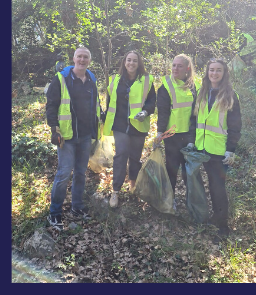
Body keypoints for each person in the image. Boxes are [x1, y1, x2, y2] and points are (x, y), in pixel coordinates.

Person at [46, 47, 102, 230]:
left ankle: (77, 207)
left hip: (85, 136)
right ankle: (54, 214)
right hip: (67, 136)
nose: (82, 60)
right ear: (74, 58)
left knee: (80, 173)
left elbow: (95, 104)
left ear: (89, 60)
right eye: (79, 56)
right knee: (63, 174)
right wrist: (54, 129)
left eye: (86, 57)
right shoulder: (61, 78)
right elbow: (51, 105)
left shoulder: (91, 79)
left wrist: (98, 123)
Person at [195, 59, 241, 239]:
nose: (214, 73)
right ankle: (216, 217)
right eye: (211, 70)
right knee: (212, 185)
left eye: (218, 71)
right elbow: (196, 120)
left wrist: (231, 149)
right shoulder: (203, 93)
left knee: (218, 187)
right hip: (203, 147)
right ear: (207, 72)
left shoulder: (230, 95)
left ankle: (223, 226)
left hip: (220, 151)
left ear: (224, 73)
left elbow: (235, 125)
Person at [104, 50, 156, 208]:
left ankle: (132, 186)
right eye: (129, 60)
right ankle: (115, 191)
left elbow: (152, 101)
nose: (131, 63)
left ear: (139, 63)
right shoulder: (115, 80)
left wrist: (146, 111)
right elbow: (109, 102)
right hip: (120, 125)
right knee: (120, 155)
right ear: (124, 62)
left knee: (135, 157)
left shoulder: (147, 80)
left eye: (134, 60)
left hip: (138, 125)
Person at [155, 54, 199, 195]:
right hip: (172, 136)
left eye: (179, 66)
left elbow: (195, 115)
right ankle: (169, 200)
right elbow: (163, 112)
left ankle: (191, 202)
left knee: (189, 171)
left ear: (187, 68)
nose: (175, 68)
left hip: (189, 136)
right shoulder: (165, 87)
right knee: (171, 169)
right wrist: (159, 132)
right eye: (174, 65)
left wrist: (193, 140)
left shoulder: (194, 86)